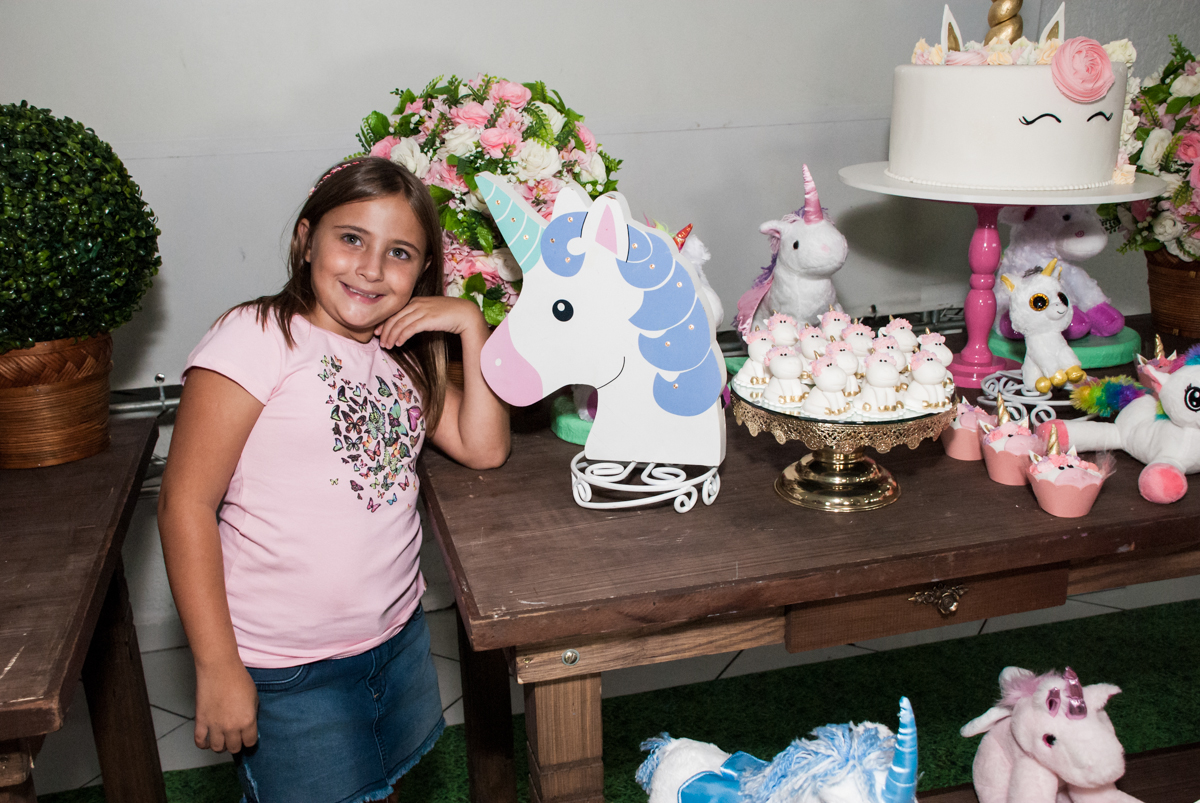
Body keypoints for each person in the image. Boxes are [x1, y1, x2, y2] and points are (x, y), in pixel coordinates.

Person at [157, 157, 510, 803]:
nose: (372, 268)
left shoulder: (399, 357)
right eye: (352, 238)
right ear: (305, 238)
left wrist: (468, 323)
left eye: (399, 252)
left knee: (382, 787)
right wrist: (215, 665)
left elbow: (483, 447)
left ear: (422, 272)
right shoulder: (255, 336)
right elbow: (184, 503)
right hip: (286, 666)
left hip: (394, 639)